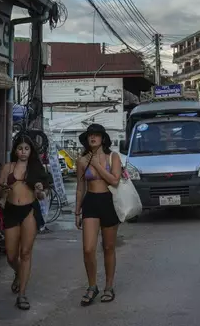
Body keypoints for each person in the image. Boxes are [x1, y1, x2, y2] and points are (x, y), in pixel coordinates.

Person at [0, 134, 49, 310]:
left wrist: (40, 191)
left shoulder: (35, 169)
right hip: (11, 211)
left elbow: (42, 195)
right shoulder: (8, 167)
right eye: (20, 148)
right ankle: (19, 273)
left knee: (25, 253)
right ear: (15, 150)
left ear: (31, 151)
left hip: (29, 212)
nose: (23, 152)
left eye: (27, 148)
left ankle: (22, 294)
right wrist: (2, 189)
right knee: (11, 255)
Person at [75, 124, 122, 306]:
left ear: (103, 138)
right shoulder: (81, 160)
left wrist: (95, 164)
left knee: (109, 247)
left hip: (109, 202)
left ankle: (108, 286)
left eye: (96, 135)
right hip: (91, 203)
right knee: (88, 249)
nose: (92, 138)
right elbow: (80, 188)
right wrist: (77, 211)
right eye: (90, 136)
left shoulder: (113, 157)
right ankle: (92, 286)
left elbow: (115, 181)